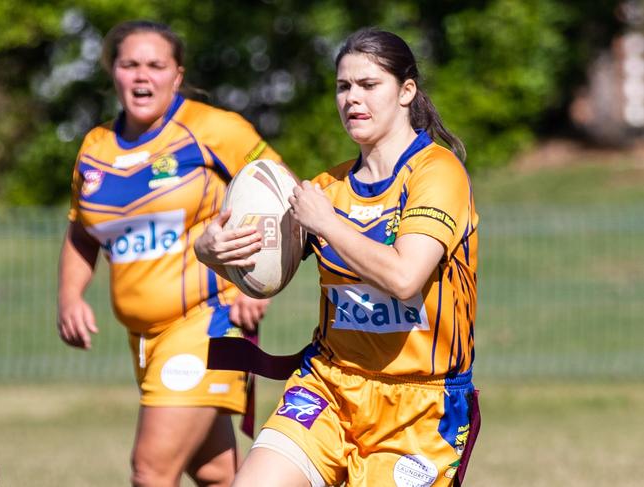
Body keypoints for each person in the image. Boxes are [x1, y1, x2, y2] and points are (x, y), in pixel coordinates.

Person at [195, 28, 480, 487]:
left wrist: (327, 223)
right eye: (344, 86)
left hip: (420, 407)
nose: (353, 99)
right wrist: (210, 251)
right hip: (328, 387)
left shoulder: (438, 172)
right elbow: (263, 270)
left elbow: (406, 277)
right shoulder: (328, 188)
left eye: (369, 85)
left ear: (406, 91)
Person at [56, 20, 280, 487]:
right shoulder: (94, 148)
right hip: (142, 340)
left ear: (177, 75)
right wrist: (70, 297)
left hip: (206, 324)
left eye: (156, 66)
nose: (142, 76)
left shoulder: (214, 129)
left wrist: (261, 283)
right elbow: (83, 233)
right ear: (113, 72)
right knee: (218, 474)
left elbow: (283, 195)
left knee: (150, 471)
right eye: (129, 64)